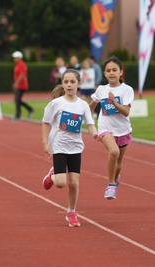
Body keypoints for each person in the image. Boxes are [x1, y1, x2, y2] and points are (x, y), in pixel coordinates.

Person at [41, 69, 98, 227]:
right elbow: (46, 123)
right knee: (61, 183)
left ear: (78, 84)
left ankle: (71, 212)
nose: (69, 84)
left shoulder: (83, 105)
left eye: (72, 82)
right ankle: (52, 176)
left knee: (74, 183)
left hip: (76, 148)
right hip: (59, 146)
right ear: (62, 84)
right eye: (66, 82)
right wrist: (45, 143)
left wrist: (95, 134)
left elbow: (91, 125)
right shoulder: (56, 103)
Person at [89, 56, 134, 200]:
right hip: (105, 128)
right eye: (108, 70)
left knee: (118, 163)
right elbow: (92, 106)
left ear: (121, 72)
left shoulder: (127, 90)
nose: (112, 73)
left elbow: (126, 111)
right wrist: (82, 110)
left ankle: (115, 178)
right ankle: (111, 184)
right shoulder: (101, 89)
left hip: (123, 130)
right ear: (104, 74)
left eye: (115, 70)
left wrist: (114, 102)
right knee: (113, 152)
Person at [12, 51, 34, 120]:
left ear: (19, 58)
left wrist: (16, 83)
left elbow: (22, 75)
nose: (14, 59)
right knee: (17, 100)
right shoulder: (17, 65)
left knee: (17, 100)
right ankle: (30, 109)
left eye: (15, 58)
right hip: (18, 85)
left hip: (22, 85)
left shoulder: (21, 64)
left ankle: (18, 115)